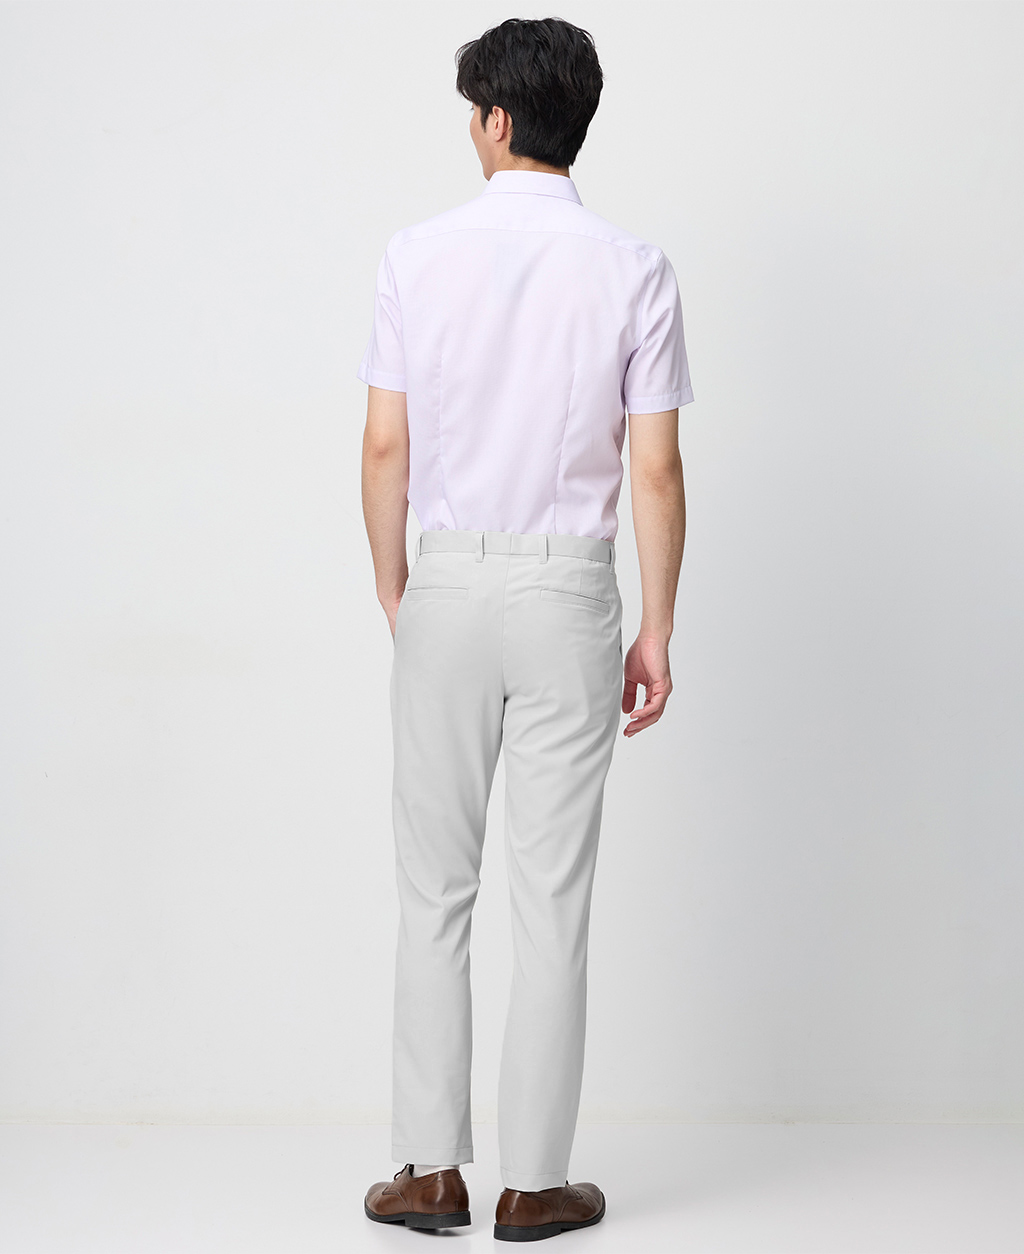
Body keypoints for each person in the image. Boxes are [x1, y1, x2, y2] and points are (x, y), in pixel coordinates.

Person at [357, 16, 692, 1243]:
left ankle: (428, 1172)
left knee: (431, 892)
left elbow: (384, 447)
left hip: (447, 584)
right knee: (551, 900)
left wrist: (399, 585)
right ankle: (535, 1184)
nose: (471, 131)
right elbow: (654, 470)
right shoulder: (635, 268)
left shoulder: (414, 255)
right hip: (570, 592)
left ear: (498, 120)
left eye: (472, 113)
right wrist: (656, 629)